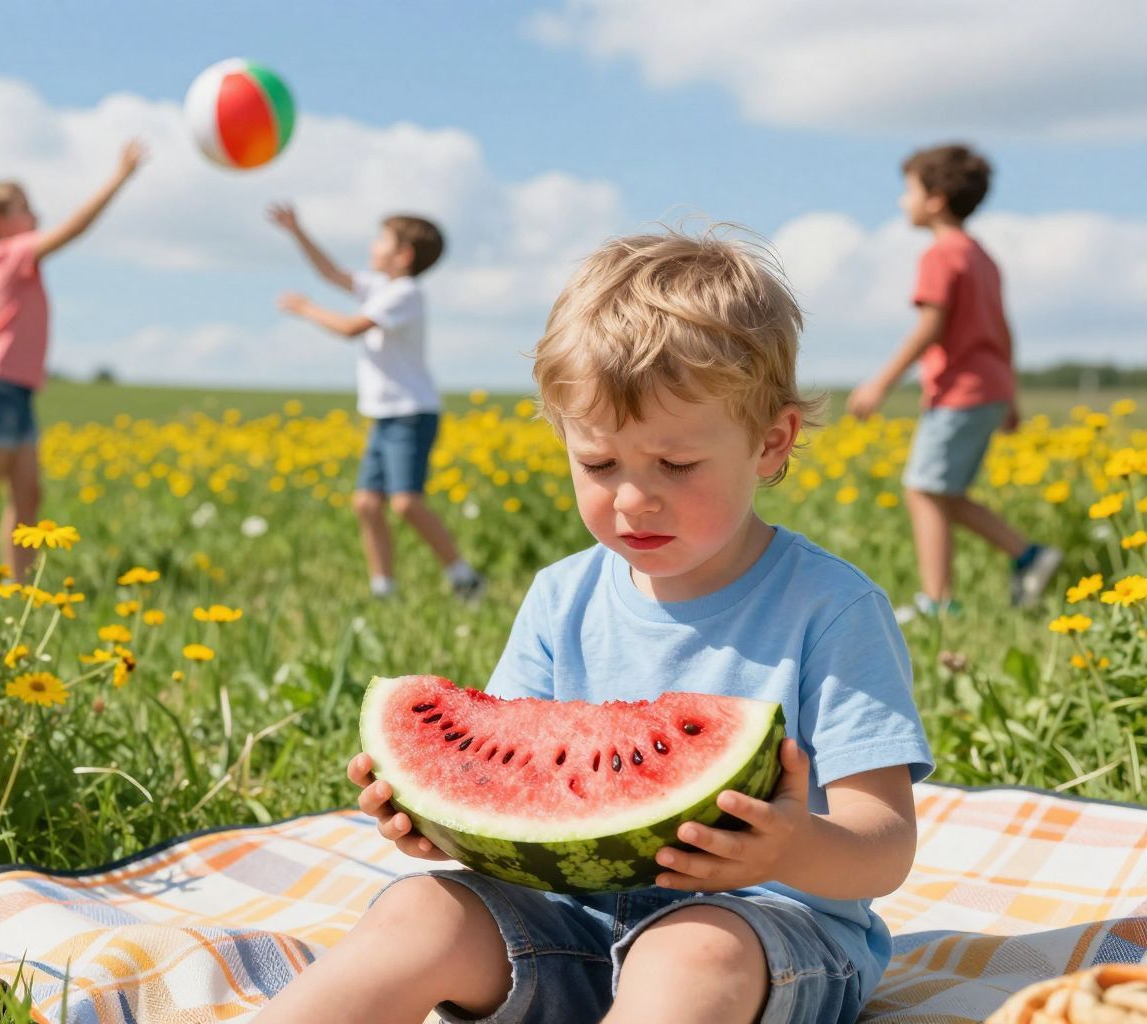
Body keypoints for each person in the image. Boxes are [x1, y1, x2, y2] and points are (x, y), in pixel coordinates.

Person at [259, 230, 933, 1024]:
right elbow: (510, 786)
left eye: (675, 466)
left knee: (690, 952)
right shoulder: (560, 597)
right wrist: (446, 828)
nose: (632, 500)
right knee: (418, 911)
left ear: (770, 442)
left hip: (769, 930)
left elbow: (884, 841)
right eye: (599, 464)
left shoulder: (833, 608)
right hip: (571, 922)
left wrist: (790, 847)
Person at [847, 143, 1061, 615]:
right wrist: (1010, 395)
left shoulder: (941, 255)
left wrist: (879, 383)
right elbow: (1003, 330)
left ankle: (941, 600)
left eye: (909, 191)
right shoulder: (982, 257)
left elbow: (931, 325)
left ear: (936, 199)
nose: (903, 201)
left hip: (959, 392)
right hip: (989, 388)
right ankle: (1025, 557)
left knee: (923, 488)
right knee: (942, 491)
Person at [0, 141, 146, 578]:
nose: (36, 217)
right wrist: (118, 178)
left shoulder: (7, 258)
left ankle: (20, 590)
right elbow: (73, 229)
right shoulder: (7, 254)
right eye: (25, 209)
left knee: (29, 497)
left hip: (14, 390)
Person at [269, 204, 482, 600]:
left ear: (403, 256)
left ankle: (464, 577)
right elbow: (331, 273)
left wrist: (305, 308)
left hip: (411, 413)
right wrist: (297, 230)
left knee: (405, 504)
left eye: (383, 239)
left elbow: (352, 328)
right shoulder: (381, 288)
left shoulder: (405, 293)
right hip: (384, 416)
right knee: (367, 504)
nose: (373, 245)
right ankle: (383, 588)